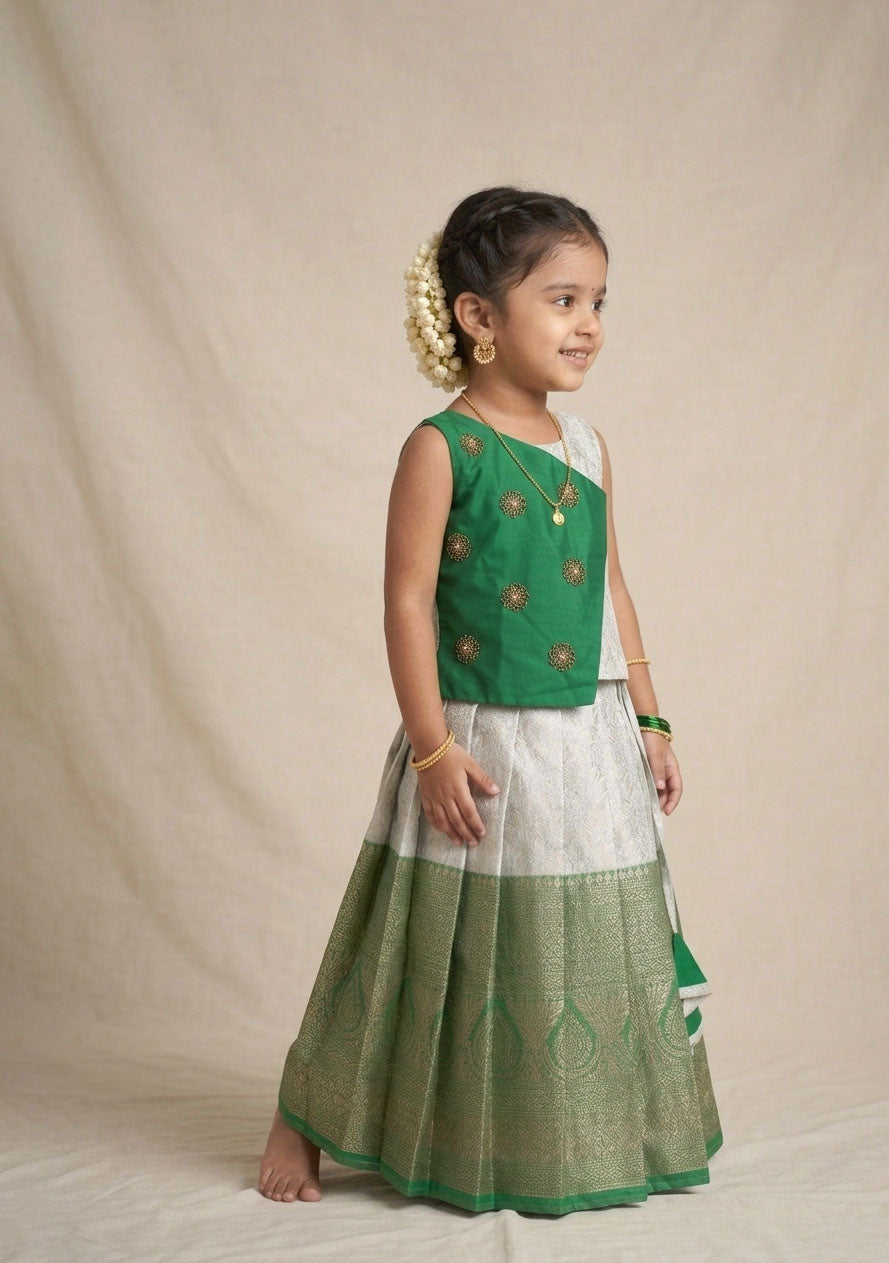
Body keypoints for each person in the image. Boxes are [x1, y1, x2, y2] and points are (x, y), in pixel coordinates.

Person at [257, 186, 723, 1214]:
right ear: (477, 317)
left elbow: (610, 587)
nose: (588, 324)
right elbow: (406, 603)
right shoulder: (442, 446)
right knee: (424, 938)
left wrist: (649, 715)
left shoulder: (589, 449)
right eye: (561, 299)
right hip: (479, 740)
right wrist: (429, 748)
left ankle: (556, 1130)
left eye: (597, 300)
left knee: (577, 935)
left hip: (588, 737)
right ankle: (306, 1109)